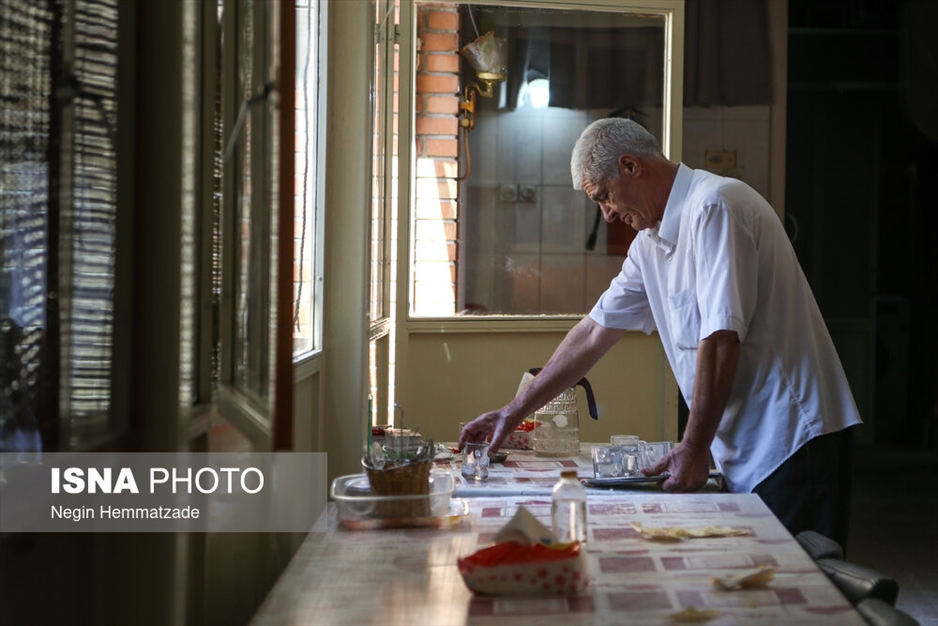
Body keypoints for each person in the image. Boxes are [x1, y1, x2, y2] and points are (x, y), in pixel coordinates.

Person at [458, 118, 862, 549]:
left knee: (795, 595)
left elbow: (722, 338)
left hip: (793, 439)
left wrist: (694, 444)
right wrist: (513, 412)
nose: (608, 213)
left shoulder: (714, 206)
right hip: (745, 447)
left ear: (631, 166)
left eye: (604, 196)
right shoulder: (650, 243)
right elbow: (595, 331)